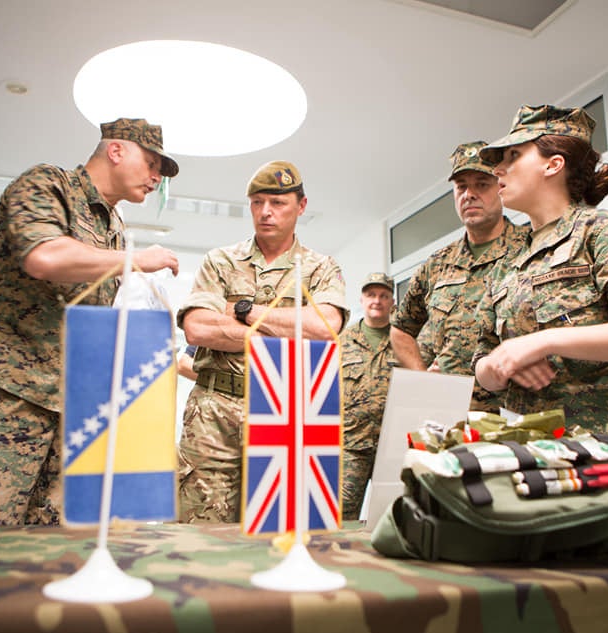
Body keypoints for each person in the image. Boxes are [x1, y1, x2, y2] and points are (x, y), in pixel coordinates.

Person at [471, 104, 608, 552]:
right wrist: (496, 367)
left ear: (553, 163)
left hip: (605, 469)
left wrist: (541, 340)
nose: (499, 170)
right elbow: (486, 356)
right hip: (527, 470)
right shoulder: (510, 263)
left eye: (512, 157)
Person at [0, 117, 180, 527]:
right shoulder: (49, 184)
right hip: (13, 393)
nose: (156, 177)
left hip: (76, 405)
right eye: (152, 163)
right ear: (116, 150)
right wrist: (136, 261)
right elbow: (44, 258)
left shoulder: (116, 228)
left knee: (57, 533)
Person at [176, 160, 348, 523]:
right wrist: (287, 329)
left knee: (281, 527)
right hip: (213, 412)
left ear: (301, 206)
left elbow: (324, 329)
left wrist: (243, 311)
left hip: (286, 409)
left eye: (277, 202)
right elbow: (197, 329)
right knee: (199, 529)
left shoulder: (319, 268)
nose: (265, 212)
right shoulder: (220, 261)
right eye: (257, 202)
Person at [390, 141, 529, 410]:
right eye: (461, 187)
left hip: (517, 412)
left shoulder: (531, 247)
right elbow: (401, 329)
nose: (469, 194)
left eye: (482, 184)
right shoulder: (437, 265)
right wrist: (421, 378)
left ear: (500, 187)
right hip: (452, 415)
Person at [339, 272, 397, 520]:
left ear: (393, 302)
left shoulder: (405, 340)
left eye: (384, 295)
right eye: (371, 295)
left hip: (393, 443)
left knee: (392, 515)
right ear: (361, 300)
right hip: (352, 443)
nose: (377, 301)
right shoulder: (341, 341)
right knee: (341, 514)